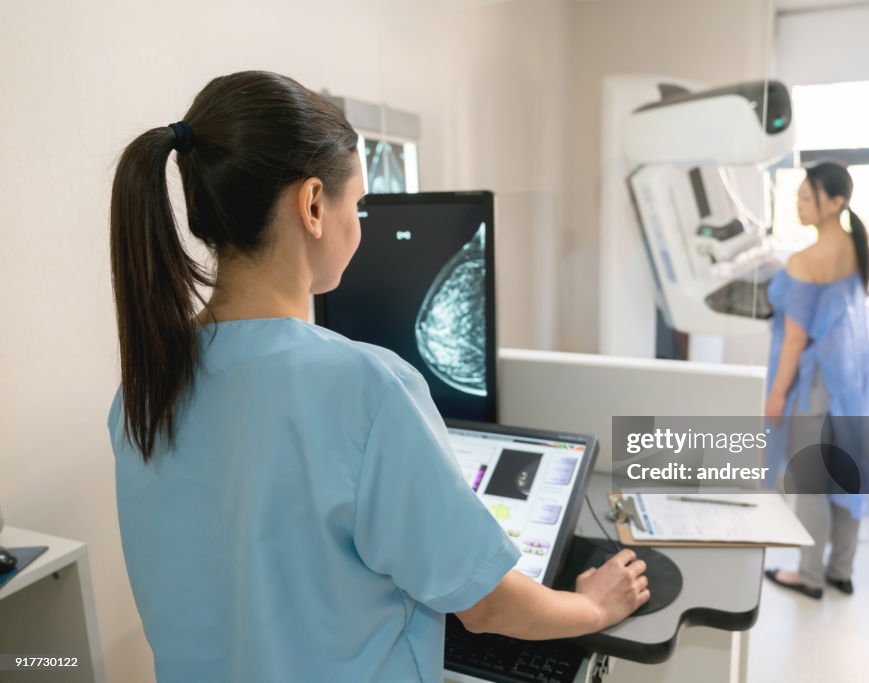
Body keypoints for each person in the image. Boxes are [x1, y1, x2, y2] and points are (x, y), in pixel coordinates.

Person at [107, 71, 649, 683]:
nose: (359, 225)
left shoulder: (142, 392)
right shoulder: (366, 389)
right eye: (357, 204)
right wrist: (594, 604)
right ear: (313, 205)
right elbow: (488, 605)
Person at [762, 161, 869, 600]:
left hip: (815, 383)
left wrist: (776, 394)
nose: (798, 204)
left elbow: (795, 339)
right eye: (797, 195)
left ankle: (810, 576)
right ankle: (840, 570)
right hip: (853, 377)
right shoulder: (857, 245)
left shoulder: (805, 260)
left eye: (806, 197)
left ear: (835, 203)